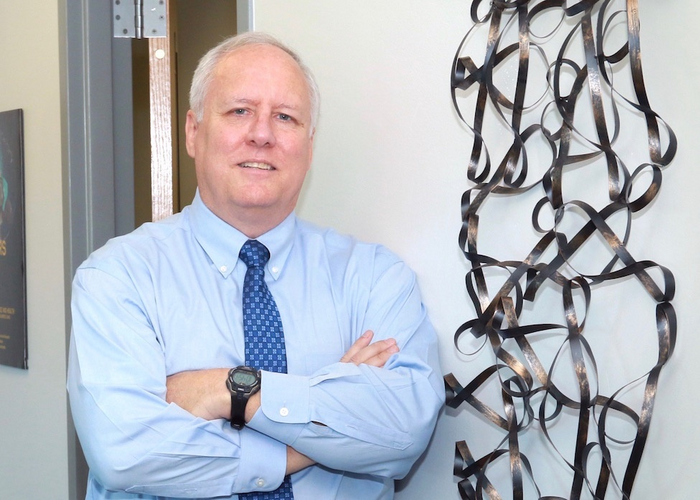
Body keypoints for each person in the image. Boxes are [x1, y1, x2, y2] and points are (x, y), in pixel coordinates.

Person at [67, 32, 443, 499]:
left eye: (285, 117)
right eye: (240, 111)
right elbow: (125, 452)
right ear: (193, 132)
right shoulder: (118, 277)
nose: (262, 134)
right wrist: (322, 429)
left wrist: (228, 390)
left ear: (309, 147)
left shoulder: (375, 278)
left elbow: (403, 430)